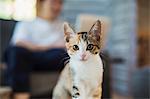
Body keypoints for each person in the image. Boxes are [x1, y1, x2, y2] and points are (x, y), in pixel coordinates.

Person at [4, 0, 68, 99]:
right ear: (41, 3)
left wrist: (37, 47)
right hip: (30, 57)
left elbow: (67, 46)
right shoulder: (27, 23)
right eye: (53, 3)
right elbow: (18, 42)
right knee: (16, 52)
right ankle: (21, 95)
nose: (57, 7)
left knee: (63, 54)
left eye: (60, 3)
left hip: (53, 58)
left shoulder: (63, 25)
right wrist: (44, 47)